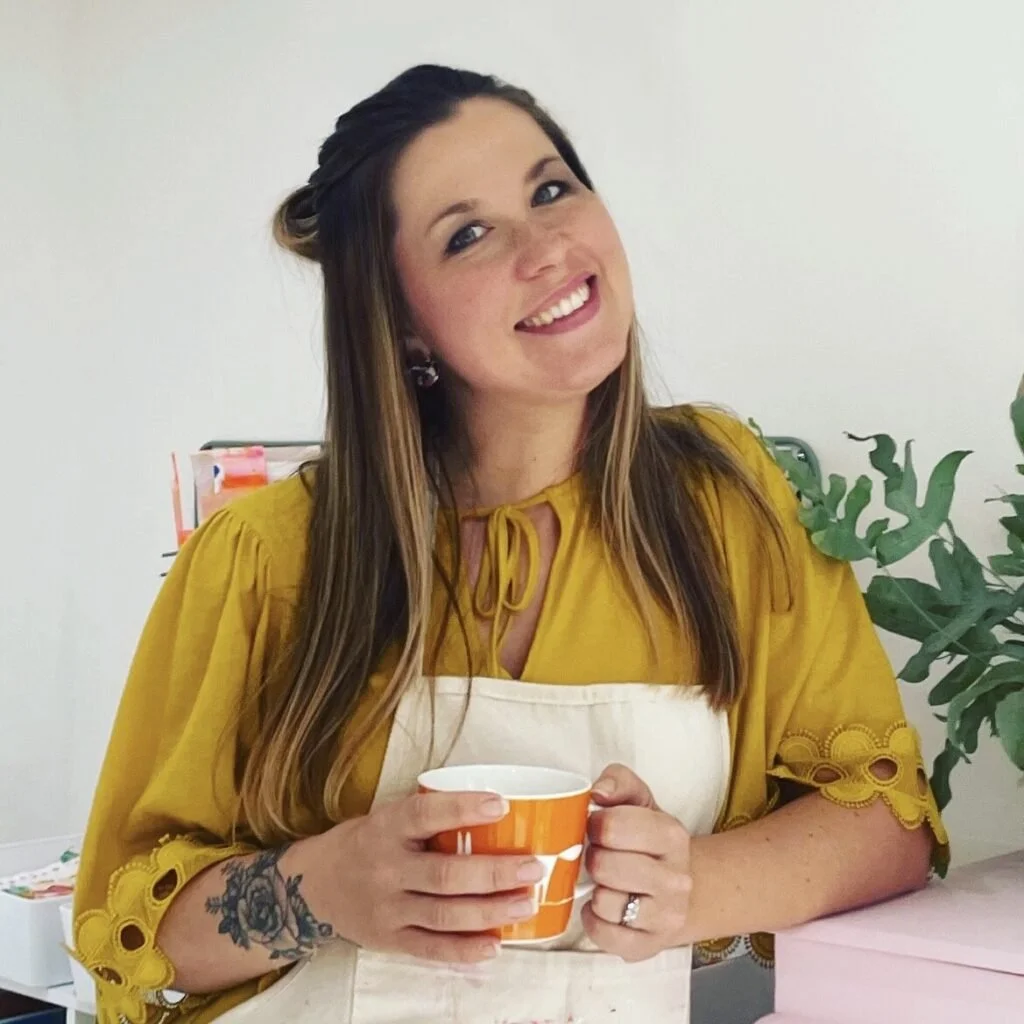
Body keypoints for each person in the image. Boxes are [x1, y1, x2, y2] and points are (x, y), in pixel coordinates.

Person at [72, 65, 947, 1024]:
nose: (547, 247)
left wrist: (692, 885)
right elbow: (132, 934)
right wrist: (323, 889)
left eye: (551, 189)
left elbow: (886, 821)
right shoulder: (264, 556)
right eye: (468, 234)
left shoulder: (727, 502)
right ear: (402, 321)